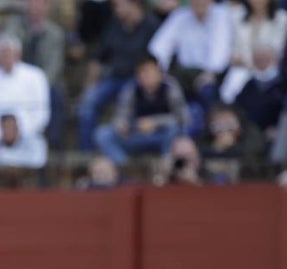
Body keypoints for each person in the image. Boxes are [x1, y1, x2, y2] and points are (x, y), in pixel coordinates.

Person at [77, 0, 159, 151]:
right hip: (113, 78)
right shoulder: (114, 26)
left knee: (125, 101)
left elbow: (157, 61)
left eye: (119, 4)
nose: (115, 8)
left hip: (138, 80)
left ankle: (122, 153)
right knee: (87, 105)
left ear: (134, 4)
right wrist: (89, 87)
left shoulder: (151, 26)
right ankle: (86, 153)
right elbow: (97, 59)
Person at [94, 53, 191, 166]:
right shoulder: (131, 89)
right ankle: (126, 167)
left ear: (159, 73)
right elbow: (121, 116)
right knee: (103, 134)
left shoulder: (170, 87)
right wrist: (123, 125)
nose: (145, 75)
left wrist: (156, 122)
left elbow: (184, 119)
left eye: (149, 71)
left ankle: (166, 166)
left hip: (162, 137)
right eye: (142, 72)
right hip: (137, 136)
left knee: (175, 130)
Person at [0, 34, 51, 160]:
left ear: (18, 54)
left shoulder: (35, 76)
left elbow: (41, 113)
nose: (7, 58)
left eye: (10, 54)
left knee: (38, 153)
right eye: (3, 55)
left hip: (27, 136)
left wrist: (19, 134)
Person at [147, 0, 235, 110]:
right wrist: (160, 71)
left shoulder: (221, 15)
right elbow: (160, 46)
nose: (199, 2)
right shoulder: (179, 15)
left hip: (212, 73)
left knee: (208, 90)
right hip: (183, 73)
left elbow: (221, 47)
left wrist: (211, 73)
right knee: (161, 87)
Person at [4, 0, 67, 147]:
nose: (35, 8)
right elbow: (7, 51)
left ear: (47, 7)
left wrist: (37, 86)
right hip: (16, 79)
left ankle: (54, 144)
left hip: (45, 83)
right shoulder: (13, 26)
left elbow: (54, 66)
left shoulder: (55, 33)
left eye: (39, 4)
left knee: (56, 97)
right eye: (32, 3)